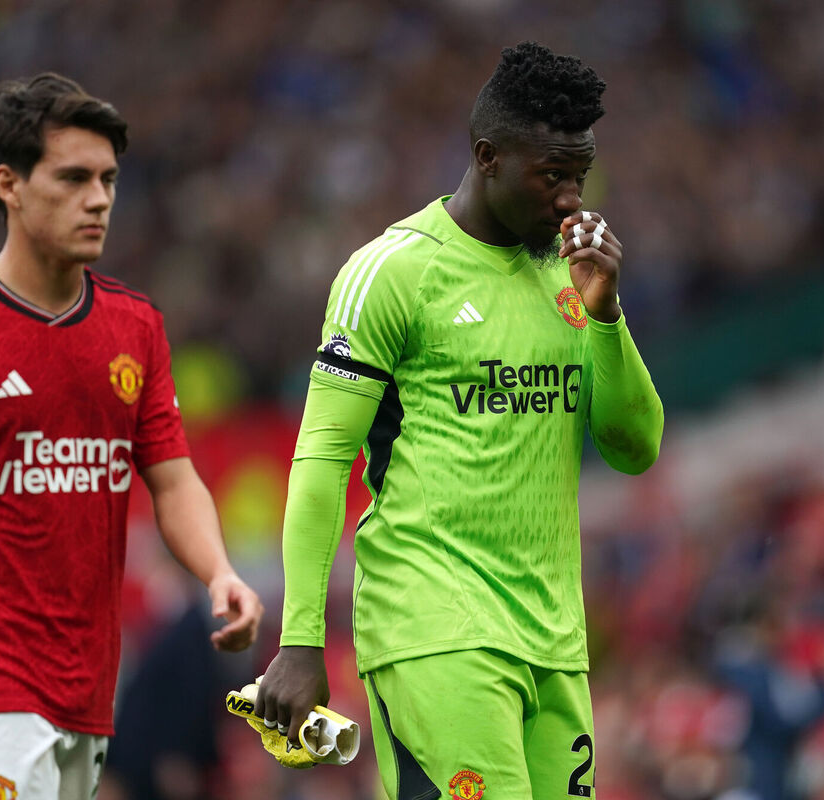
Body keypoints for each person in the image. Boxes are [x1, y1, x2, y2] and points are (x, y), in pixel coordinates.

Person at [256, 41, 664, 799]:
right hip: (433, 630)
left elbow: (635, 448)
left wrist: (606, 315)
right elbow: (320, 460)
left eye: (580, 176)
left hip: (554, 641)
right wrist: (301, 639)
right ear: (487, 157)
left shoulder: (571, 281)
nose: (572, 199)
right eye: (552, 176)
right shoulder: (394, 272)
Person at [0, 73, 263, 798]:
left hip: (88, 685)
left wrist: (218, 574)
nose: (99, 199)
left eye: (109, 179)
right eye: (74, 178)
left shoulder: (136, 327)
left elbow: (173, 476)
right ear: (9, 185)